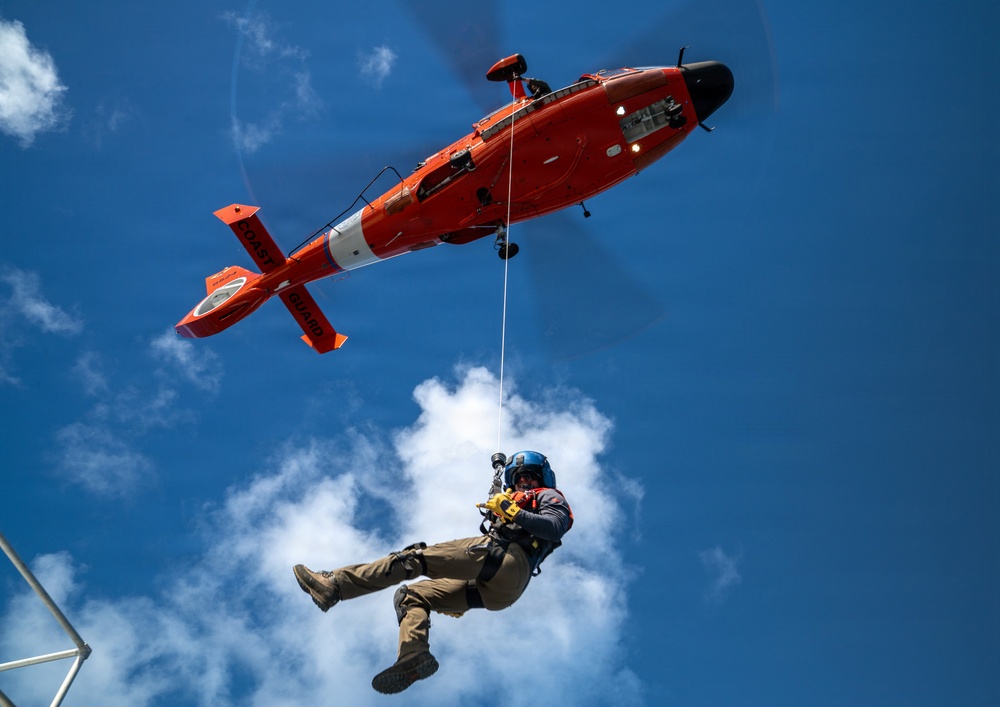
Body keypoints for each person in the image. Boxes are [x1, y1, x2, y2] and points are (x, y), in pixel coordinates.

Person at [292, 450, 573, 694]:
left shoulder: (547, 496)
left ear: (543, 480)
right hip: (499, 592)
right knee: (411, 596)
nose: (524, 482)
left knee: (413, 559)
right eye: (519, 478)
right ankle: (413, 657)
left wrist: (513, 511)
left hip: (507, 557)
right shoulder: (511, 503)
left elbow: (556, 526)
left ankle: (334, 585)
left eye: (530, 477)